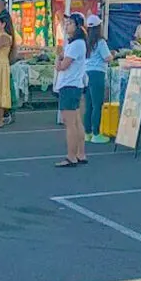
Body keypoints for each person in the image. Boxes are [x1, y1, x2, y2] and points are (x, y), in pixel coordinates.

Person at [54, 12, 88, 167]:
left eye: (70, 23)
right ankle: (80, 153)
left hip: (69, 85)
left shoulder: (76, 44)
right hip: (74, 85)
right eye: (66, 23)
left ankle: (71, 156)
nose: (67, 26)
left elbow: (62, 66)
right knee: (76, 121)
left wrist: (59, 56)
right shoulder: (77, 43)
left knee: (70, 124)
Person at [84, 14, 113, 143]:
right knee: (97, 104)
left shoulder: (85, 41)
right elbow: (107, 57)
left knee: (89, 105)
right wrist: (113, 55)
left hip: (86, 74)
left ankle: (87, 132)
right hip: (97, 74)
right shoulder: (100, 42)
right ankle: (96, 133)